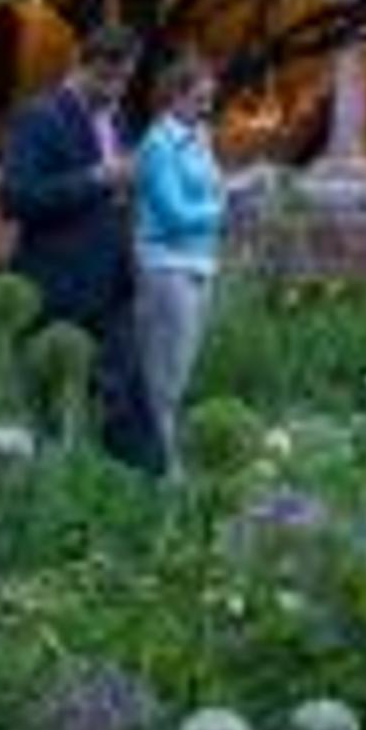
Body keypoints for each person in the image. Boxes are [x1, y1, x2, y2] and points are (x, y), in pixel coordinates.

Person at [0, 26, 143, 462]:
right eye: (108, 79)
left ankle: (107, 489)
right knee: (49, 399)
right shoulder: (40, 117)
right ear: (82, 66)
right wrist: (94, 178)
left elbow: (118, 191)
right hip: (57, 284)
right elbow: (14, 197)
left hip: (113, 281)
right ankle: (43, 485)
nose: (117, 89)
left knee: (114, 396)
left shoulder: (117, 118)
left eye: (124, 80)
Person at [132, 59, 231, 478]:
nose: (207, 106)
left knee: (183, 365)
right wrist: (224, 209)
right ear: (174, 96)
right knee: (163, 370)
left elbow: (214, 189)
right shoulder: (157, 144)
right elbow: (173, 214)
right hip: (166, 264)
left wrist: (223, 200)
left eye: (210, 98)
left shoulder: (199, 137)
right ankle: (162, 467)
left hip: (200, 263)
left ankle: (164, 459)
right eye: (199, 98)